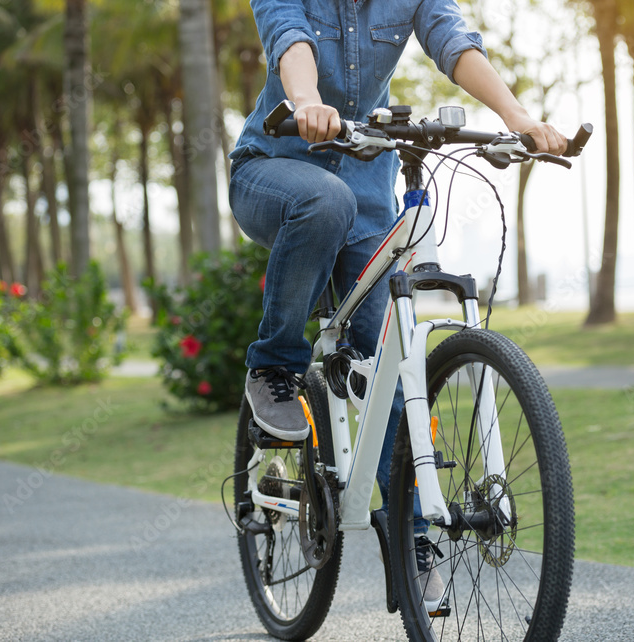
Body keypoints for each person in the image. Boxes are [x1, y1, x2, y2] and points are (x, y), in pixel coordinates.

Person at [229, 0, 566, 609]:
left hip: (367, 190)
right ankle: (274, 368)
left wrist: (517, 116)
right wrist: (306, 101)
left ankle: (410, 534)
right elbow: (289, 38)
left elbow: (453, 38)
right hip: (273, 170)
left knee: (388, 353)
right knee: (324, 200)